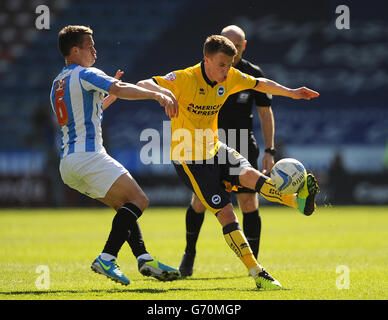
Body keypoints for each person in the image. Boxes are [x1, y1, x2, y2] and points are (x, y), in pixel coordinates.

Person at [137, 35, 319, 290]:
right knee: (226, 213)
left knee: (253, 178)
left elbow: (259, 83)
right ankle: (257, 272)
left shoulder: (231, 77)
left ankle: (297, 202)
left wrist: (290, 92)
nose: (227, 71)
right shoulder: (184, 78)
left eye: (230, 65)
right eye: (222, 65)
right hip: (190, 160)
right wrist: (161, 96)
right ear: (207, 59)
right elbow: (144, 82)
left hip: (216, 148)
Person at [49, 25, 180, 286]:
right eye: (90, 46)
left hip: (68, 164)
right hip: (88, 156)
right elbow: (119, 88)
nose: (95, 50)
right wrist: (157, 95)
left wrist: (110, 95)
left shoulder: (57, 83)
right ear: (75, 51)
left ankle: (144, 258)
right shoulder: (86, 73)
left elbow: (88, 113)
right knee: (139, 200)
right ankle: (107, 257)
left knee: (124, 207)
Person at [178, 25, 277, 277]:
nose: (231, 50)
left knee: (248, 201)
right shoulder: (206, 71)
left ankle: (253, 264)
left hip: (243, 141)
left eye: (236, 44)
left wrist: (270, 149)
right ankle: (189, 255)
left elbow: (266, 113)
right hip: (209, 144)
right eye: (226, 42)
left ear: (243, 46)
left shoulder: (250, 74)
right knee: (200, 202)